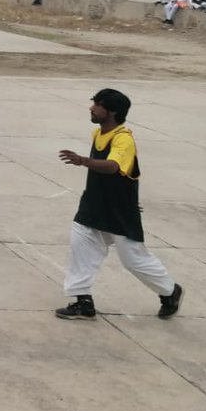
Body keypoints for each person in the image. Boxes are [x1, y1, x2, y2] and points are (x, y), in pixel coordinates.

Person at [55, 89, 182, 321]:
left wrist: (83, 161)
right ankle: (82, 302)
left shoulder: (123, 138)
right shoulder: (98, 133)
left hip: (119, 212)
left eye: (97, 104)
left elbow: (113, 166)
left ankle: (170, 292)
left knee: (133, 260)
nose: (92, 108)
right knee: (80, 248)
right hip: (93, 206)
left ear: (111, 111)